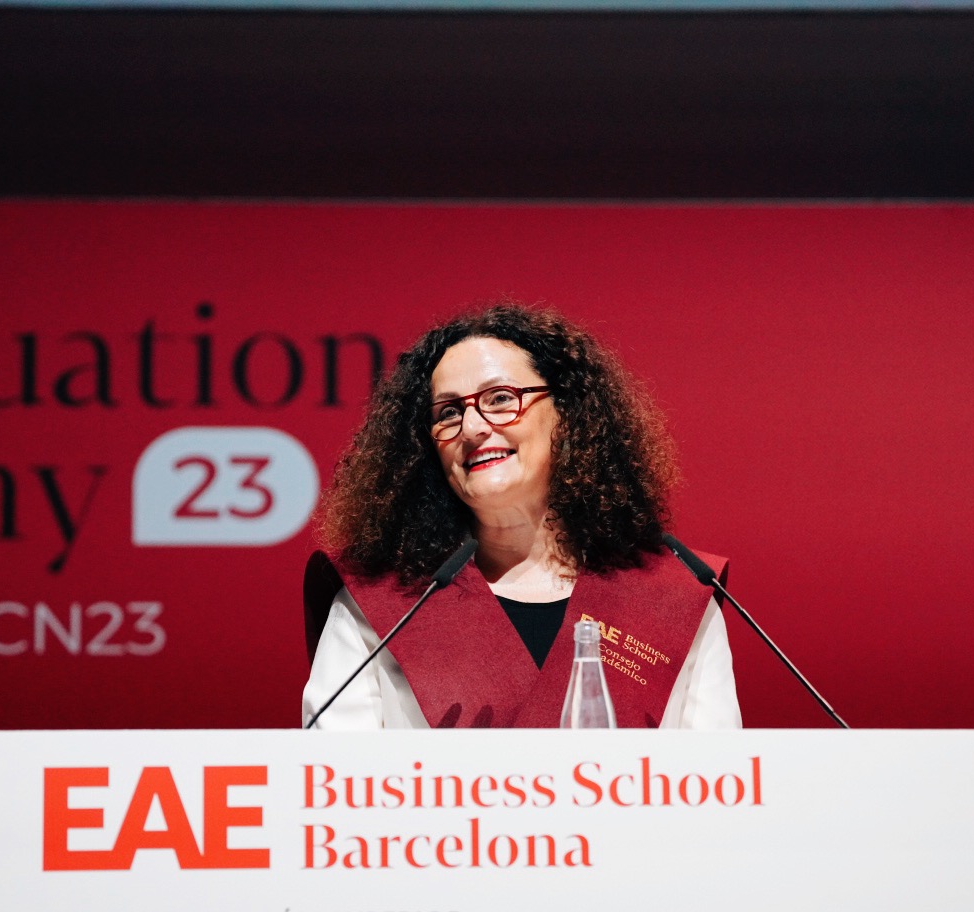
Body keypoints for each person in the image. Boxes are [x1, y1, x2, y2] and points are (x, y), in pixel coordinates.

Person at [302, 303, 740, 729]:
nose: (472, 428)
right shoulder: (380, 603)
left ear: (567, 414)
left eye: (500, 398)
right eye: (449, 412)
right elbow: (332, 771)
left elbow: (720, 771)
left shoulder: (674, 599)